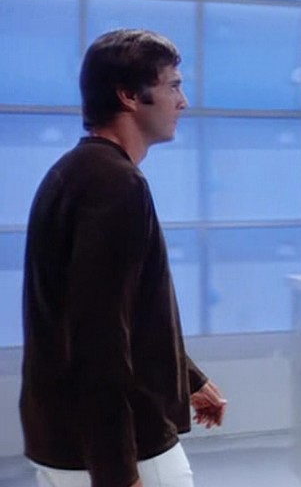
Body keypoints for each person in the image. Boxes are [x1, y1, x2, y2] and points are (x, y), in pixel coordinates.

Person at [20, 29, 227, 487]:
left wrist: (189, 379)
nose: (183, 101)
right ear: (129, 96)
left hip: (62, 442)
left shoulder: (73, 174)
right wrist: (118, 473)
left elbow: (119, 314)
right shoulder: (116, 186)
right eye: (173, 85)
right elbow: (99, 338)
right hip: (123, 449)